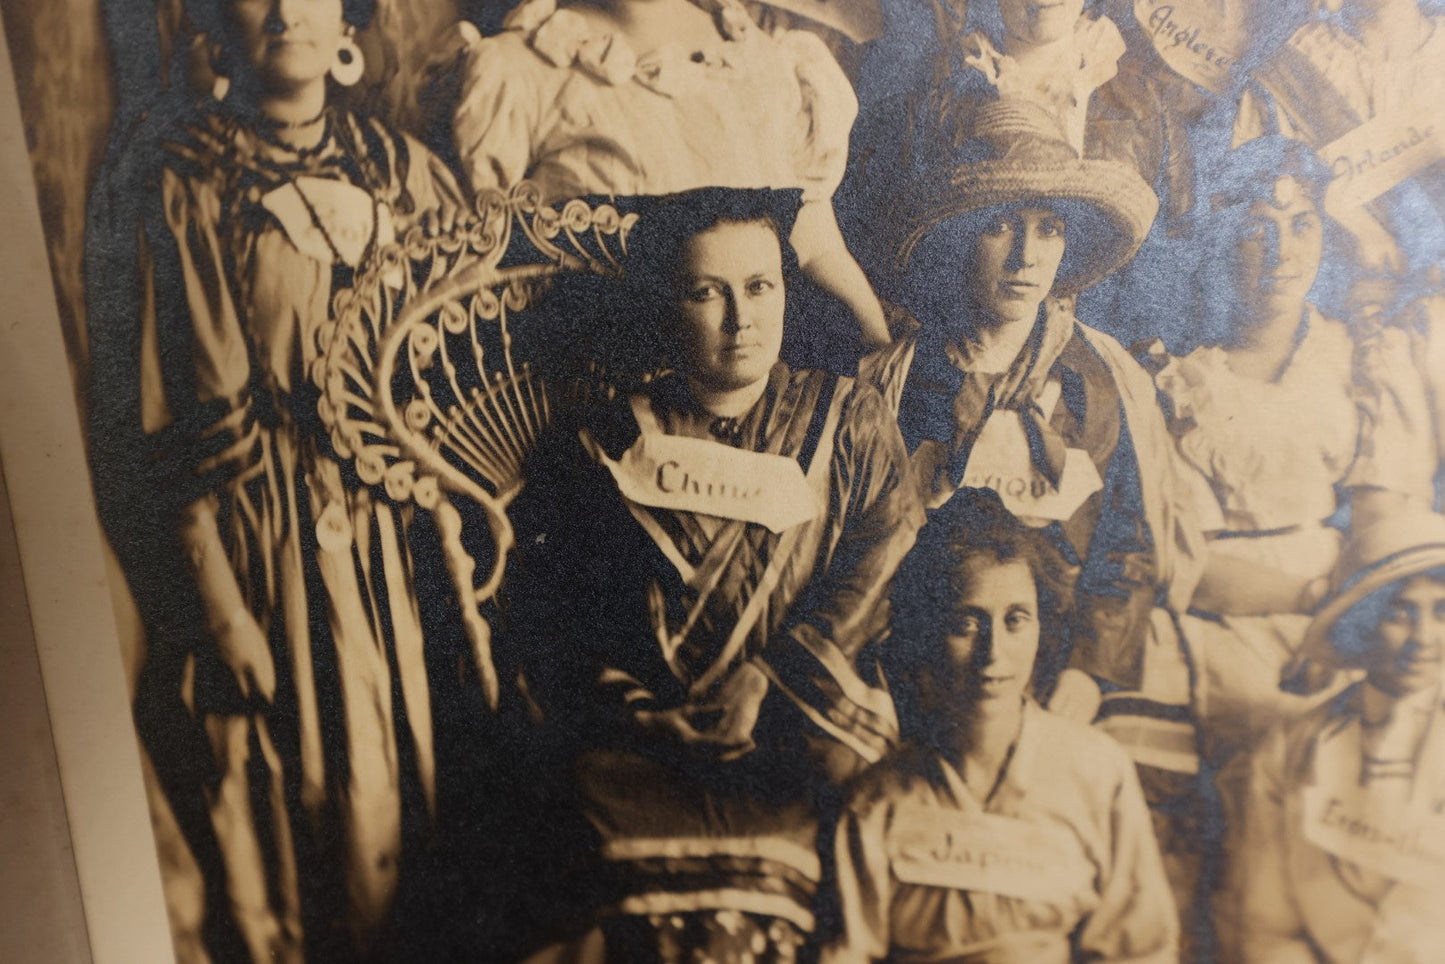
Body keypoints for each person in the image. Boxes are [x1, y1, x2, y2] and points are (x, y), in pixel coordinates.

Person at [84, 0, 463, 959]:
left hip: (399, 536)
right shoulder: (186, 182)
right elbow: (172, 414)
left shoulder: (405, 175)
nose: (284, 10)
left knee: (424, 780)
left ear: (345, 22)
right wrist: (223, 610)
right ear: (219, 25)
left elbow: (465, 362)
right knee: (295, 794)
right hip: (262, 540)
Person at [494, 187, 923, 962]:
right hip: (650, 742)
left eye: (760, 287)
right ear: (666, 306)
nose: (741, 318)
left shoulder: (848, 418)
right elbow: (559, 609)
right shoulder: (610, 436)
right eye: (706, 293)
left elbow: (884, 557)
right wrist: (640, 712)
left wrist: (773, 678)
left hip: (799, 727)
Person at [819, 487, 1179, 963]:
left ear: (1041, 628)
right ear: (929, 634)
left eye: (1016, 621)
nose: (993, 654)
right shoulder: (880, 801)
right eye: (967, 624)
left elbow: (1140, 949)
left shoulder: (1098, 775)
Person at [448, 0, 890, 347]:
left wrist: (878, 345)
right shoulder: (520, 70)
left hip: (752, 387)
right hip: (584, 400)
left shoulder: (759, 60)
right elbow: (476, 269)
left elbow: (813, 241)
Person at [1228, 499, 1445, 962]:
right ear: (1362, 624)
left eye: (1442, 611)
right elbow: (1268, 928)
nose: (1425, 638)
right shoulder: (1293, 747)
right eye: (1400, 613)